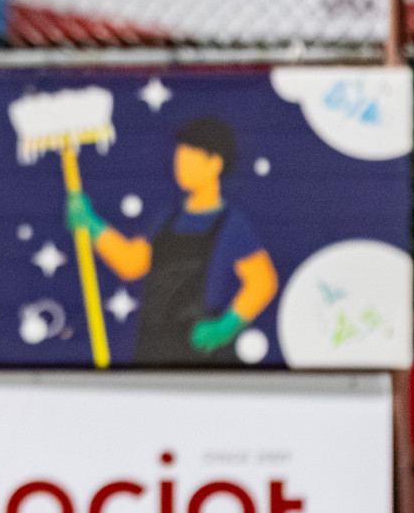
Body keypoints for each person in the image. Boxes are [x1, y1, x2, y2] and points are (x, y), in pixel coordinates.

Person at [65, 116, 278, 364]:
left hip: (199, 353)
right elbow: (133, 264)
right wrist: (92, 224)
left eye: (189, 158)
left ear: (215, 164)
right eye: (179, 157)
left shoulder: (231, 224)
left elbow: (263, 280)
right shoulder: (168, 219)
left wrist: (226, 326)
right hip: (153, 345)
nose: (180, 165)